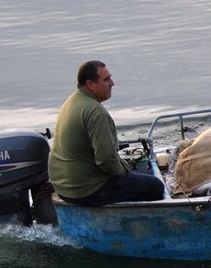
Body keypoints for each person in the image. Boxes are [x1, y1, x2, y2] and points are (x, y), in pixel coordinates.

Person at [48, 60, 165, 206]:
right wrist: (125, 171)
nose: (112, 83)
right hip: (84, 190)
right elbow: (106, 160)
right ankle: (137, 219)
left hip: (63, 187)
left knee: (135, 179)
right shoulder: (96, 113)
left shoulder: (72, 102)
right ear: (90, 84)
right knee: (154, 186)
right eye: (106, 79)